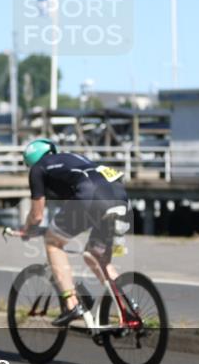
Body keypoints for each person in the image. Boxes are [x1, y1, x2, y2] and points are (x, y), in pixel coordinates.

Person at [19, 138, 131, 327]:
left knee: (53, 243)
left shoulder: (38, 169)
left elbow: (37, 215)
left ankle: (72, 304)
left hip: (91, 196)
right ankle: (127, 310)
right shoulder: (74, 159)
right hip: (119, 196)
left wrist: (27, 229)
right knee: (94, 256)